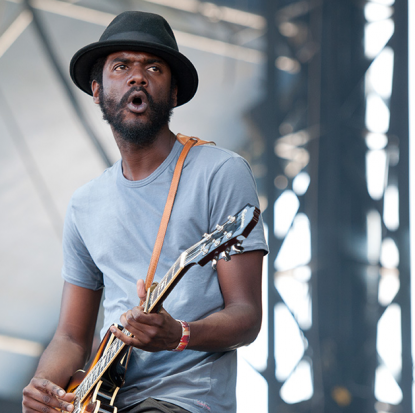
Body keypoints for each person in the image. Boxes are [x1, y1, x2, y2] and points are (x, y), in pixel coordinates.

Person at [22, 11, 268, 413]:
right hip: (105, 400)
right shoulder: (86, 204)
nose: (137, 77)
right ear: (98, 90)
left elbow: (246, 316)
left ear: (172, 94)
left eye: (153, 67)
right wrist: (43, 387)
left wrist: (179, 334)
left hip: (183, 402)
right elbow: (69, 336)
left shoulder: (219, 172)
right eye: (122, 66)